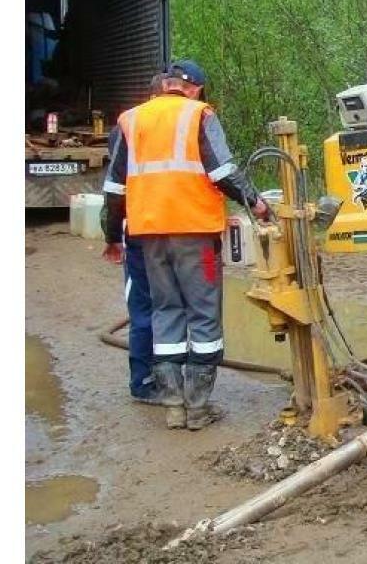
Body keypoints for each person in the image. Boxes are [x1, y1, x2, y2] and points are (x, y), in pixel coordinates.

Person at [101, 59, 270, 430]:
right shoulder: (199, 116)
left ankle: (174, 405)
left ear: (163, 86)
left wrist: (113, 235)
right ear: (191, 88)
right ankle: (198, 408)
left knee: (166, 311)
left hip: (149, 236)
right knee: (204, 313)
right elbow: (222, 172)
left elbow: (115, 189)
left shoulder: (131, 119)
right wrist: (256, 203)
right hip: (195, 234)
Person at [102, 73, 167, 405]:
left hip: (139, 230)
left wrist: (112, 235)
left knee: (145, 306)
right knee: (167, 308)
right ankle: (154, 380)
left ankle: (147, 379)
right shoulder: (182, 124)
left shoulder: (126, 127)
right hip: (173, 231)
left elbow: (115, 188)